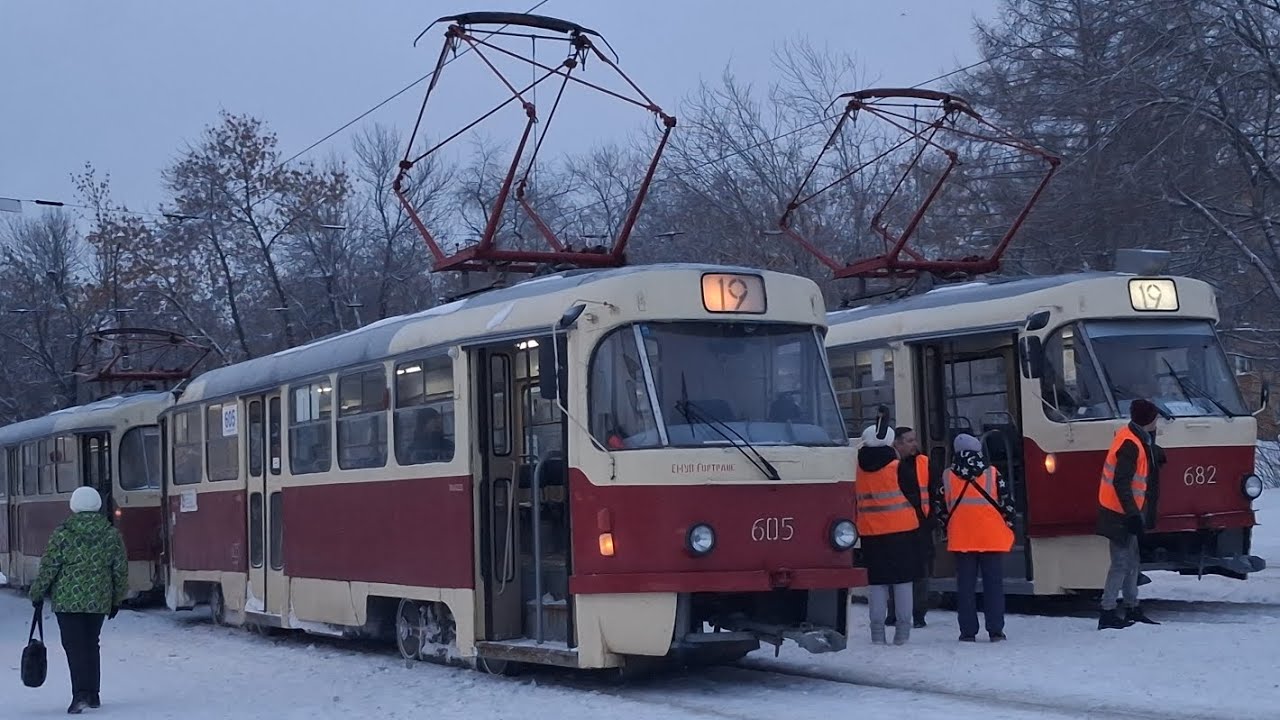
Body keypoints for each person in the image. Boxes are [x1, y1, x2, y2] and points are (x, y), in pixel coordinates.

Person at [29, 486, 127, 714]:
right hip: (98, 598)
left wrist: (37, 593)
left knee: (74, 647)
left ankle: (80, 695)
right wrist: (116, 600)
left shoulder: (63, 534)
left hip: (68, 601)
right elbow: (120, 570)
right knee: (92, 643)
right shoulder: (111, 534)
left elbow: (49, 567)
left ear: (74, 505)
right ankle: (93, 694)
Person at [940, 433, 1016, 643]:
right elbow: (1007, 503)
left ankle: (967, 632)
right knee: (993, 586)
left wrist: (948, 527)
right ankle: (995, 630)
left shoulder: (948, 475)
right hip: (991, 538)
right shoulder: (992, 473)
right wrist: (1009, 524)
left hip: (962, 539)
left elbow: (942, 508)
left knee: (965, 588)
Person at [855, 414, 923, 645]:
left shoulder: (859, 468)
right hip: (902, 532)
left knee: (877, 583)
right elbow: (913, 496)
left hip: (870, 532)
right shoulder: (897, 467)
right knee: (903, 581)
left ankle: (877, 634)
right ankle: (902, 634)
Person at [1097, 398, 1163, 630]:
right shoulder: (1131, 444)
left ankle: (1131, 606)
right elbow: (1121, 482)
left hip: (1124, 511)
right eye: (1156, 418)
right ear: (1149, 420)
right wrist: (1133, 514)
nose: (1158, 421)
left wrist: (1154, 450)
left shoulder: (1134, 436)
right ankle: (1107, 612)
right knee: (1121, 563)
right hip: (1120, 513)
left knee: (1132, 561)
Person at [885, 425, 934, 629]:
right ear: (896, 443)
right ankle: (894, 613)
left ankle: (919, 613)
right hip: (896, 525)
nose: (914, 444)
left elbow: (931, 489)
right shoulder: (888, 466)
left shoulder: (924, 462)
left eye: (915, 440)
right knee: (897, 569)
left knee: (920, 570)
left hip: (921, 523)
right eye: (909, 440)